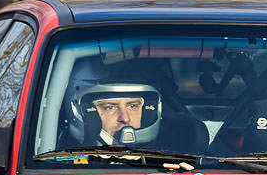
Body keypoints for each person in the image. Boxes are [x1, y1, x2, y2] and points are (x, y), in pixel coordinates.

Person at [63, 60, 206, 152]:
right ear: (81, 110)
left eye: (133, 106)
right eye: (110, 107)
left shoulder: (175, 159)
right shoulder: (59, 163)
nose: (125, 118)